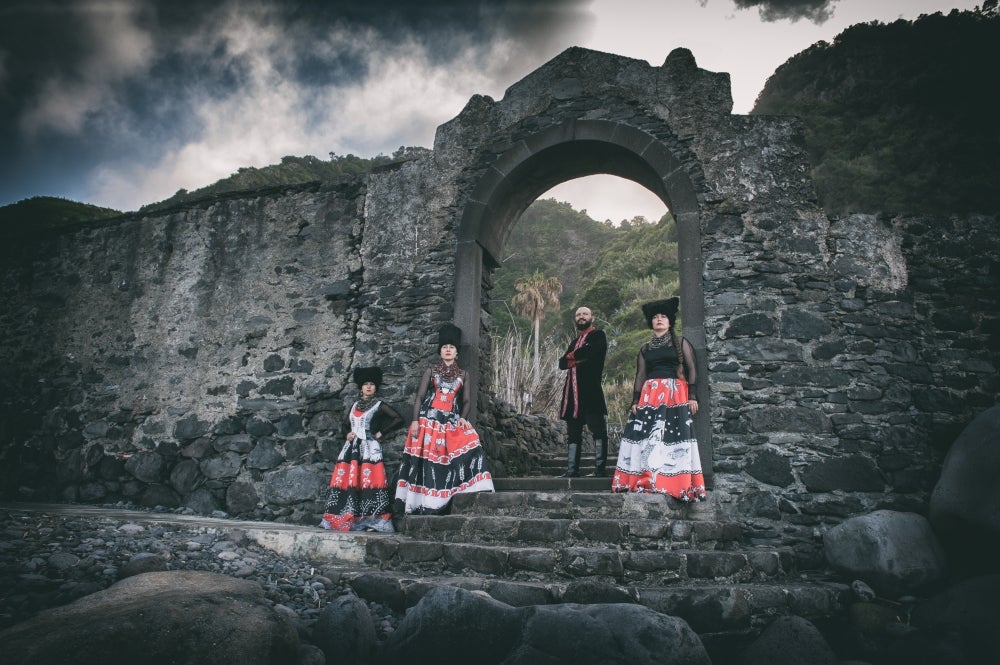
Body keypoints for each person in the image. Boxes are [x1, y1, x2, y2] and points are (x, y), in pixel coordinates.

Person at [612, 297, 706, 501]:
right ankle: (646, 479)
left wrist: (692, 396)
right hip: (650, 395)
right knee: (648, 439)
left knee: (672, 439)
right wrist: (635, 401)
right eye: (655, 317)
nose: (659, 320)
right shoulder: (645, 349)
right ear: (651, 323)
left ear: (670, 321)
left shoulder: (681, 343)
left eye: (663, 316)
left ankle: (672, 483)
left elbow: (692, 369)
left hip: (675, 395)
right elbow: (640, 375)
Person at [394, 323, 495, 514]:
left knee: (471, 443)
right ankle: (422, 503)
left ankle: (452, 494)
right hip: (427, 420)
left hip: (450, 420)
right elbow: (420, 397)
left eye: (451, 348)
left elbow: (466, 401)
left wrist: (463, 418)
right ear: (440, 351)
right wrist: (415, 421)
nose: (448, 350)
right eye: (444, 348)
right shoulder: (431, 371)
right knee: (426, 462)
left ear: (456, 352)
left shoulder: (464, 375)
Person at [320, 366, 404, 532]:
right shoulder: (354, 405)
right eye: (365, 384)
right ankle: (346, 516)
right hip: (351, 450)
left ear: (375, 387)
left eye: (372, 384)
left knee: (370, 482)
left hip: (368, 448)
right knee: (348, 481)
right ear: (361, 387)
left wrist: (380, 433)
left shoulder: (379, 405)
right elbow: (344, 425)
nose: (368, 387)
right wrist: (347, 434)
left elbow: (398, 418)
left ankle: (371, 519)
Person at [557, 306, 609, 477]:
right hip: (572, 394)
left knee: (598, 430)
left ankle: (600, 470)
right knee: (573, 433)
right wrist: (577, 357)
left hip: (590, 391)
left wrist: (572, 357)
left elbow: (592, 352)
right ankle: (572, 470)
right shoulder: (574, 341)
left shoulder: (598, 335)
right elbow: (561, 364)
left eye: (585, 314)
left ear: (592, 317)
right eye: (578, 314)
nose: (581, 317)